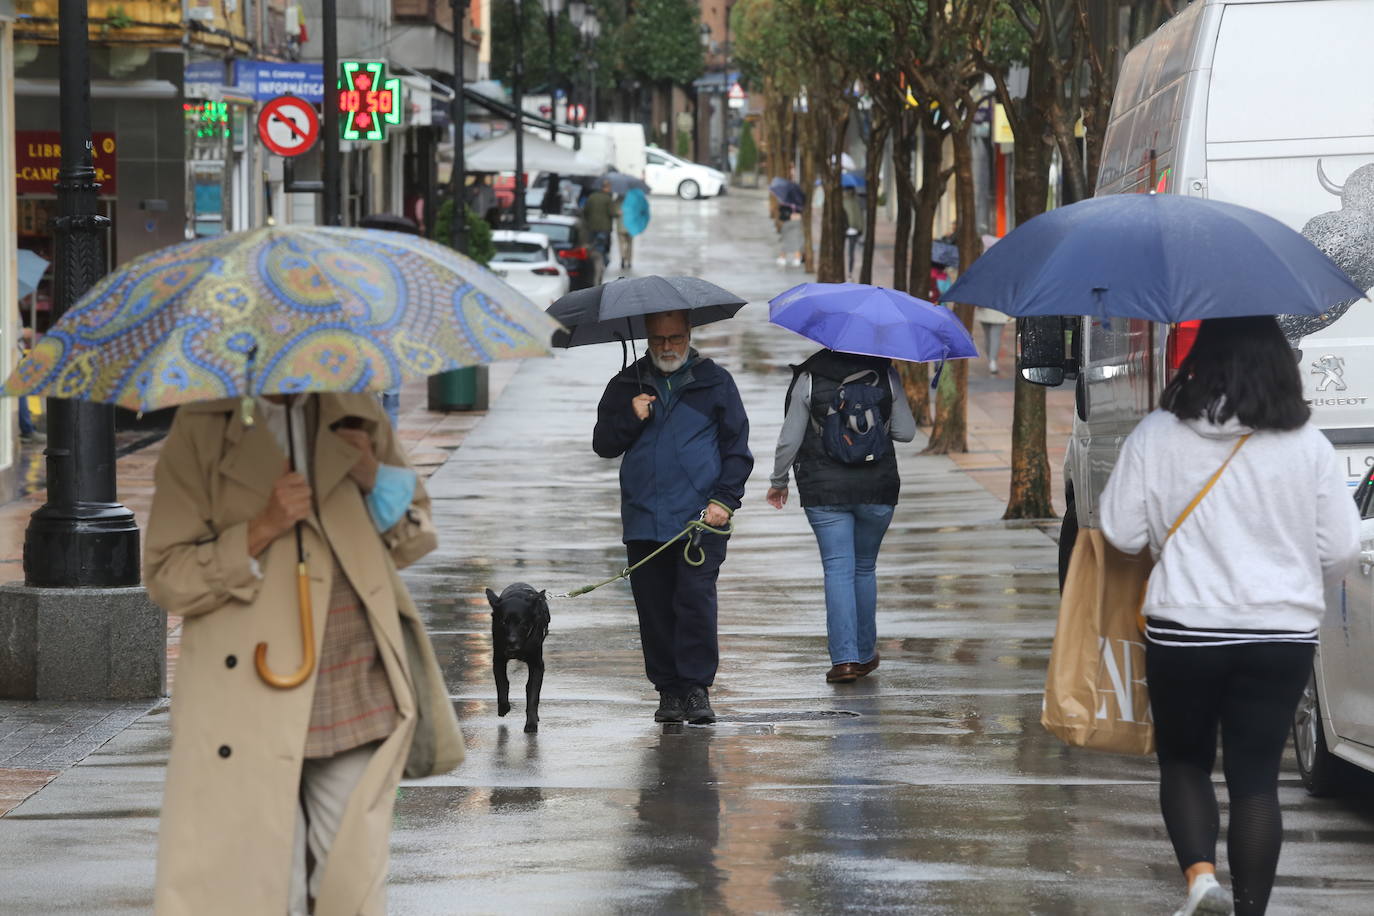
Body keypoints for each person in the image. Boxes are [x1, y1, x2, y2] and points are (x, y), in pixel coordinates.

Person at [144, 392, 463, 915]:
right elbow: (167, 578)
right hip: (247, 696)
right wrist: (261, 528)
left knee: (353, 886)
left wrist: (368, 474)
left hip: (352, 682)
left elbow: (412, 534)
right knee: (264, 888)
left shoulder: (355, 412)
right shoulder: (202, 427)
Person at [1099, 316, 1360, 916]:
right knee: (1257, 780)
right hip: (1280, 634)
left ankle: (1199, 880)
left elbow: (1118, 530)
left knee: (1186, 761)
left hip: (1184, 629)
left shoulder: (1157, 434)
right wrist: (1296, 588)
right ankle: (1247, 910)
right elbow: (1342, 547)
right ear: (1280, 365)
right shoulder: (1309, 445)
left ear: (1199, 359)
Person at [592, 310, 753, 725]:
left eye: (676, 338)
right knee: (654, 607)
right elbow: (603, 445)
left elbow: (737, 449)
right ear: (647, 337)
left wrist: (724, 500)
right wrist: (630, 415)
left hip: (701, 520)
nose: (667, 347)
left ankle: (697, 689)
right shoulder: (625, 385)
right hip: (644, 517)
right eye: (660, 339)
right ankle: (668, 691)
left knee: (695, 603)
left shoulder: (715, 382)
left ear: (689, 335)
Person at [765, 350, 917, 683]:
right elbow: (906, 433)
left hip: (824, 491)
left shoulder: (809, 378)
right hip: (877, 488)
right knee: (864, 567)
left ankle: (845, 659)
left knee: (838, 568)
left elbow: (789, 438)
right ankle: (864, 654)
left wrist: (779, 481)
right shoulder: (886, 374)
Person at [581, 179, 615, 261]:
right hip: (604, 227)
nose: (610, 189)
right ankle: (600, 262)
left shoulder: (592, 197)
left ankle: (591, 260)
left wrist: (588, 221)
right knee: (601, 245)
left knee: (592, 245)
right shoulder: (608, 198)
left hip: (592, 226)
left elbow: (585, 211)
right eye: (609, 188)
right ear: (605, 188)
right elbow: (611, 213)